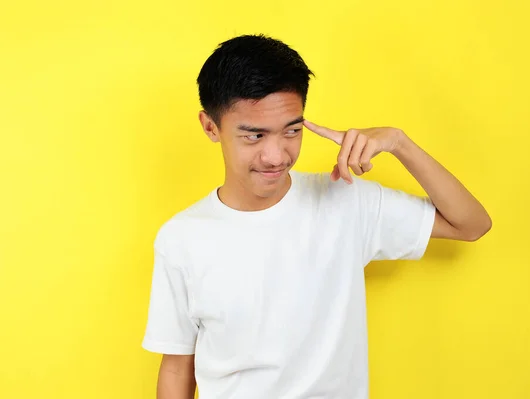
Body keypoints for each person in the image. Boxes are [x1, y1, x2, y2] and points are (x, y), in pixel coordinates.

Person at [141, 34, 492, 399]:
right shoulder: (181, 238)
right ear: (210, 126)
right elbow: (178, 365)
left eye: (292, 131)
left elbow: (471, 224)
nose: (276, 155)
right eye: (254, 136)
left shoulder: (346, 201)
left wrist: (398, 142)